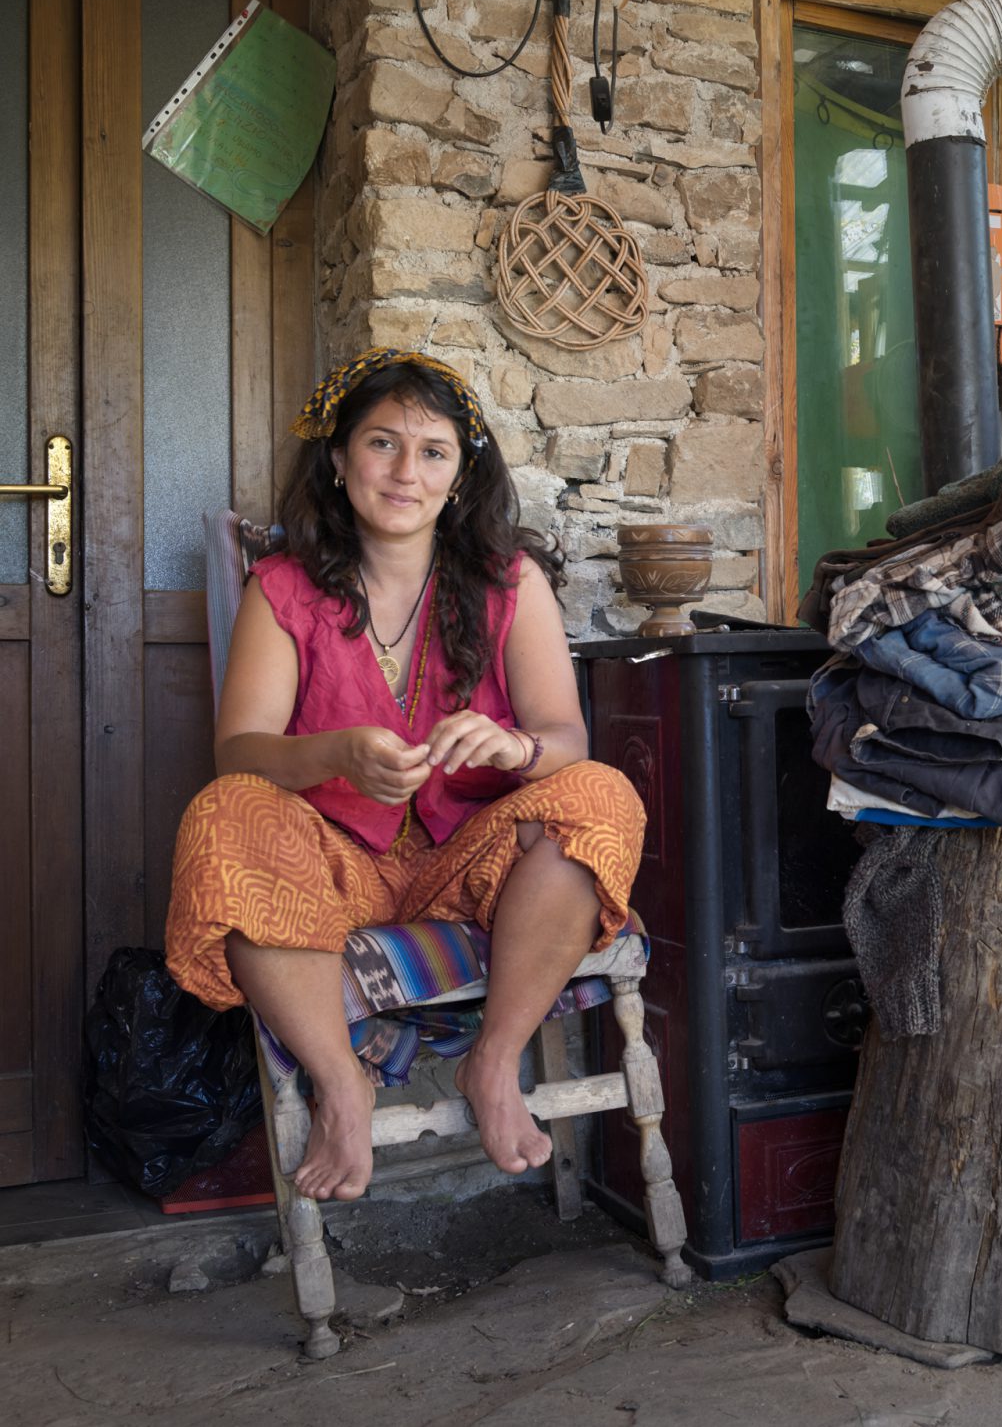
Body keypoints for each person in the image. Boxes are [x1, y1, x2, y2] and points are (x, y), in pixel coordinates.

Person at [164, 348, 645, 1204]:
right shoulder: (283, 588)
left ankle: (492, 1062)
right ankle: (340, 1084)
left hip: (473, 865)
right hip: (329, 867)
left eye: (432, 452)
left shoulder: (509, 583)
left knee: (600, 793)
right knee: (225, 809)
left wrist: (513, 750)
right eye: (382, 443)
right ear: (339, 459)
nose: (405, 472)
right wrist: (336, 754)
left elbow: (565, 738)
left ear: (459, 477)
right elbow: (240, 750)